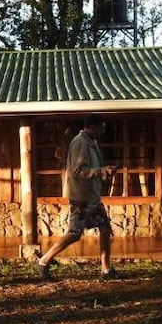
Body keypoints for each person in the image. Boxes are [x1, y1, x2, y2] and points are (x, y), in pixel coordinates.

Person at [34, 113, 117, 280]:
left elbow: (92, 167)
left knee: (105, 228)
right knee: (74, 234)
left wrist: (104, 169)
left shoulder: (91, 143)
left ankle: (106, 270)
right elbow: (77, 171)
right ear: (91, 127)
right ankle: (43, 262)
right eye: (101, 129)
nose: (103, 132)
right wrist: (100, 171)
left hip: (92, 197)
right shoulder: (80, 143)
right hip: (81, 198)